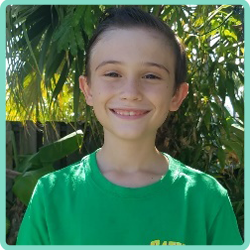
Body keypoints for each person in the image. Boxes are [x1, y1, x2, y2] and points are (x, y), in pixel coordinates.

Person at [16, 6, 243, 245]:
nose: (131, 93)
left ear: (177, 95)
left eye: (151, 76)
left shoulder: (206, 199)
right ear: (88, 89)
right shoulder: (51, 197)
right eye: (113, 73)